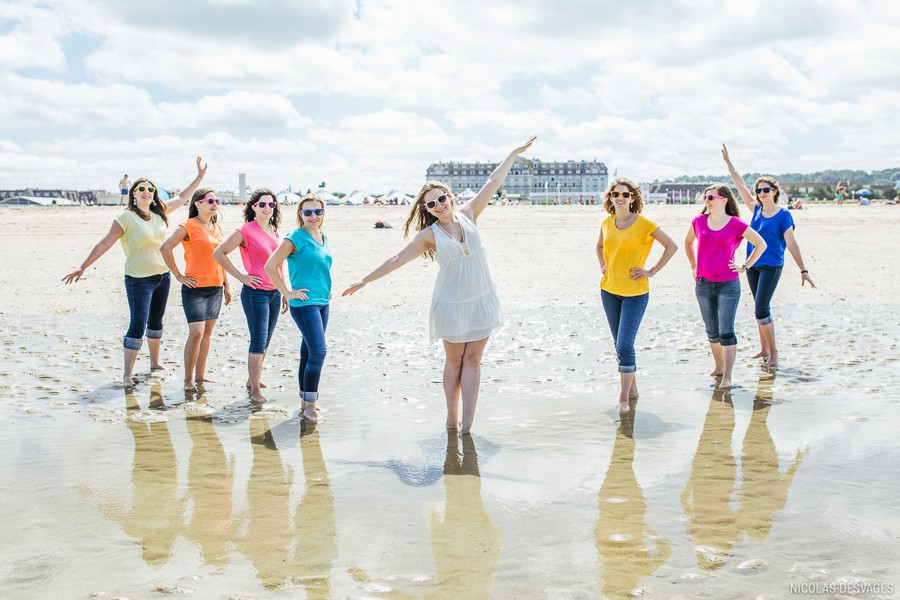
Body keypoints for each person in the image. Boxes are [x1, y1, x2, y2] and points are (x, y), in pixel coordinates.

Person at [343, 136, 536, 434]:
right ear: (427, 209)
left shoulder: (470, 213)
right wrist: (365, 280)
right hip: (452, 303)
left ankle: (468, 423)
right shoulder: (428, 235)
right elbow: (397, 259)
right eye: (431, 204)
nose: (437, 205)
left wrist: (513, 152)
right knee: (454, 361)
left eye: (441, 199)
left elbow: (494, 181)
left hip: (482, 298)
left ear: (450, 196)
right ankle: (451, 417)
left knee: (474, 361)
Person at [63, 157, 208, 387]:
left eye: (150, 189)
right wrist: (83, 266)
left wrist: (199, 177)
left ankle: (154, 363)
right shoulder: (125, 217)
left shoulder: (160, 212)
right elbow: (104, 244)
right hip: (138, 280)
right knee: (137, 325)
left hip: (163, 276)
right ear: (133, 193)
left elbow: (182, 198)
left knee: (156, 322)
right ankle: (127, 374)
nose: (146, 192)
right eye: (141, 189)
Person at [722, 145, 816, 367]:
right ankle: (763, 349)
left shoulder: (783, 215)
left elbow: (791, 243)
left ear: (775, 191)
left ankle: (774, 353)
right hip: (752, 264)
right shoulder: (755, 209)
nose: (761, 193)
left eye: (766, 190)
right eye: (759, 191)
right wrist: (728, 163)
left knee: (761, 308)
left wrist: (803, 270)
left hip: (772, 265)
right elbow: (740, 185)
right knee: (758, 306)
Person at [596, 178, 678, 413]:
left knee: (624, 344)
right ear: (610, 198)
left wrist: (651, 271)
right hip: (609, 291)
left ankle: (623, 398)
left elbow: (671, 246)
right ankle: (633, 391)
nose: (620, 198)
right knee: (619, 344)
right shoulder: (606, 222)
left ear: (633, 198)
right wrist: (603, 265)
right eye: (615, 194)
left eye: (625, 194)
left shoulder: (644, 224)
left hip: (635, 294)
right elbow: (599, 247)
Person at [684, 183, 767, 388]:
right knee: (712, 330)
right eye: (705, 197)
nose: (706, 201)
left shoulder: (736, 224)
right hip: (703, 284)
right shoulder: (699, 221)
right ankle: (719, 367)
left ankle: (728, 377)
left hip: (728, 285)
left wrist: (745, 266)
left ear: (724, 199)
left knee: (726, 331)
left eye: (711, 197)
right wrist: (694, 265)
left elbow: (761, 244)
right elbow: (687, 243)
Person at [213, 188, 287, 404]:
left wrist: (284, 290)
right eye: (262, 204)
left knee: (266, 341)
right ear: (253, 207)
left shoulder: (274, 231)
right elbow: (218, 253)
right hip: (256, 294)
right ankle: (255, 390)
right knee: (258, 341)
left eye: (271, 205)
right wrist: (241, 277)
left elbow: (279, 266)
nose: (267, 208)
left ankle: (252, 380)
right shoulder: (246, 230)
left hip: (274, 293)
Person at [264, 195, 332, 422]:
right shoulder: (295, 238)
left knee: (308, 351)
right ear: (300, 215)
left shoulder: (323, 237)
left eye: (318, 212)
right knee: (319, 352)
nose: (314, 216)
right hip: (304, 304)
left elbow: (319, 268)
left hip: (323, 303)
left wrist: (326, 289)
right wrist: (287, 292)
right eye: (308, 212)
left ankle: (305, 402)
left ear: (323, 213)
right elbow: (270, 265)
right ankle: (310, 407)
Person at [160, 188, 231, 392]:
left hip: (216, 287)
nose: (214, 203)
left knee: (207, 333)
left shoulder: (217, 227)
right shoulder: (188, 226)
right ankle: (188, 380)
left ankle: (200, 377)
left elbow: (222, 257)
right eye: (210, 200)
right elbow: (165, 248)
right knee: (196, 333)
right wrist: (178, 275)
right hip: (195, 287)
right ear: (198, 204)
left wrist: (226, 284)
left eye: (217, 200)